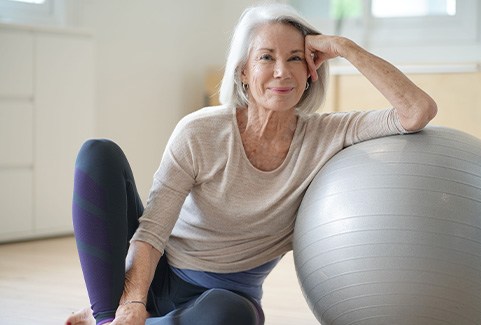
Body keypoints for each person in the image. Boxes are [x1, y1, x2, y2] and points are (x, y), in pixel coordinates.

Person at [66, 3, 437, 325]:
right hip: (158, 272)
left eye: (295, 57)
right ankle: (109, 317)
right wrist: (133, 301)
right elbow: (152, 232)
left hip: (220, 300)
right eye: (266, 57)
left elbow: (416, 111)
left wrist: (344, 47)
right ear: (243, 70)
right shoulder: (200, 131)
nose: (281, 71)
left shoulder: (328, 134)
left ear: (311, 72)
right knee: (98, 154)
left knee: (233, 316)